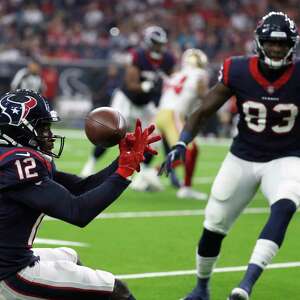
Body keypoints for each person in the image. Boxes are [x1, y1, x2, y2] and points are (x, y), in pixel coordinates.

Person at [160, 11, 300, 300]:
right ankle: (201, 286)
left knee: (286, 206)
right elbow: (202, 111)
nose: (275, 49)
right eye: (270, 43)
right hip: (242, 157)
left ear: (292, 45)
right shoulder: (237, 69)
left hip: (286, 156)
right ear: (259, 43)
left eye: (282, 44)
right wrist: (183, 142)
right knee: (214, 224)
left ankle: (245, 285)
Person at [0, 89, 160, 299]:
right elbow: (77, 212)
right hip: (11, 273)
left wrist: (122, 161)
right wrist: (123, 173)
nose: (49, 134)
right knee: (117, 291)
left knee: (70, 257)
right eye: (42, 127)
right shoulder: (20, 163)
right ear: (18, 130)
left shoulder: (12, 158)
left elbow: (79, 188)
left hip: (10, 258)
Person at [111, 25, 176, 191]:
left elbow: (175, 81)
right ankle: (91, 163)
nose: (159, 47)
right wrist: (144, 86)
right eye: (155, 43)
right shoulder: (138, 55)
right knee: (113, 130)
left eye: (161, 43)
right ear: (148, 42)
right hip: (127, 99)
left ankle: (143, 174)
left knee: (152, 140)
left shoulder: (168, 59)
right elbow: (131, 84)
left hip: (146, 103)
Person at [156, 48, 209, 200]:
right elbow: (203, 95)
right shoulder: (200, 74)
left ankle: (183, 184)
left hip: (162, 112)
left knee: (193, 149)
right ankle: (154, 173)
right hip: (173, 114)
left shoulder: (177, 74)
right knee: (188, 150)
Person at [81, 64, 122, 177]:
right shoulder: (103, 79)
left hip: (119, 113)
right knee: (106, 137)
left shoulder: (119, 82)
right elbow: (95, 90)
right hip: (106, 112)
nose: (113, 71)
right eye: (111, 68)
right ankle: (91, 163)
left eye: (115, 69)